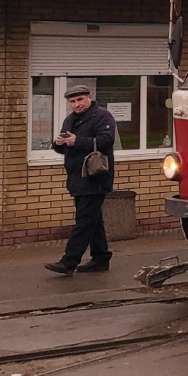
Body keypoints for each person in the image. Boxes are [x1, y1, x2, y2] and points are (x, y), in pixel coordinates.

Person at [45, 84, 116, 275]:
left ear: (89, 98)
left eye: (80, 100)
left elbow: (107, 140)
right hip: (77, 177)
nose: (77, 104)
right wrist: (58, 144)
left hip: (95, 176)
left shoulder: (102, 116)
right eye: (73, 101)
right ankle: (101, 258)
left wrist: (78, 141)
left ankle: (69, 261)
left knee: (84, 220)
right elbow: (65, 148)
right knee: (93, 220)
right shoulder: (70, 120)